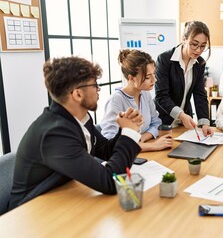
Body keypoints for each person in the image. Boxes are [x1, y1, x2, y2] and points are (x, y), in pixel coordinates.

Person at [8, 56, 143, 210]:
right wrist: (129, 134)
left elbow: (105, 151)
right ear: (78, 94)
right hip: (32, 212)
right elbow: (111, 182)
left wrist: (125, 130)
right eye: (95, 85)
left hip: (63, 199)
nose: (99, 89)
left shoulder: (81, 117)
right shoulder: (55, 133)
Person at [100, 49, 172, 152]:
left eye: (154, 74)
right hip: (123, 159)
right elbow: (110, 143)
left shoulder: (145, 94)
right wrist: (153, 146)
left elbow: (156, 123)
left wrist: (142, 139)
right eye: (148, 77)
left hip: (140, 153)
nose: (154, 80)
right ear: (131, 78)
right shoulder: (116, 100)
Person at [155, 20, 214, 137]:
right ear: (184, 39)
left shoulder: (199, 63)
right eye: (194, 44)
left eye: (203, 46)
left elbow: (200, 94)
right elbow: (161, 95)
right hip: (163, 122)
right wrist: (181, 114)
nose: (198, 50)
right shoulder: (165, 59)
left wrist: (204, 122)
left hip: (184, 123)